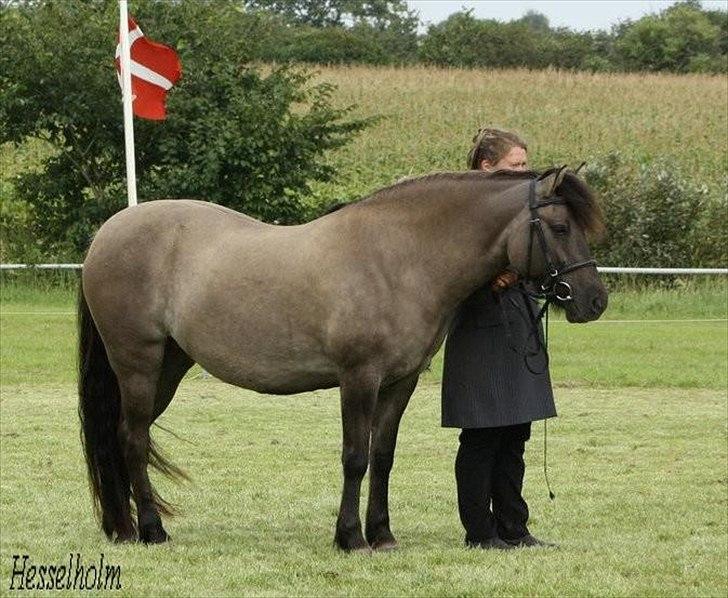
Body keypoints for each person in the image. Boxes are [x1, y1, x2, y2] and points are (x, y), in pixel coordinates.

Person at [441, 127, 556, 550]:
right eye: (515, 166)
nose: (525, 173)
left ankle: (514, 527)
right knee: (481, 437)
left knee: (515, 436)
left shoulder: (520, 214)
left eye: (526, 165)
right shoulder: (458, 216)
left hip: (518, 324)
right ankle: (480, 531)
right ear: (486, 167)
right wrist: (491, 280)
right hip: (478, 331)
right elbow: (446, 278)